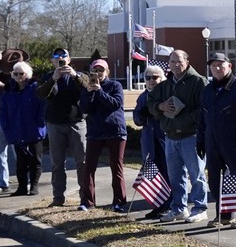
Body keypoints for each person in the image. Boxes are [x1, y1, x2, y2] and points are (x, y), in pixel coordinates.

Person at [198, 52, 236, 228]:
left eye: (220, 65)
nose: (217, 68)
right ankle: (224, 215)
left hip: (235, 142)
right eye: (213, 66)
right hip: (212, 142)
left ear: (229, 66)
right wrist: (200, 140)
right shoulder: (208, 90)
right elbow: (202, 117)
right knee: (216, 181)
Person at [146, 49, 209, 223]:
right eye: (172, 61)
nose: (175, 65)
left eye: (179, 61)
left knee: (196, 175)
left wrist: (185, 118)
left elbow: (205, 109)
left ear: (187, 62)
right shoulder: (165, 85)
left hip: (191, 136)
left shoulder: (198, 82)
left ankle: (200, 208)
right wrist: (161, 107)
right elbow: (150, 103)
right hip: (171, 137)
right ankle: (179, 208)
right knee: (175, 176)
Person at [36, 47, 87, 207]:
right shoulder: (47, 77)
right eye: (57, 57)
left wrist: (74, 76)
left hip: (77, 123)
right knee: (57, 163)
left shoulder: (79, 76)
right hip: (55, 124)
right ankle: (58, 198)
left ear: (70, 60)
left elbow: (87, 89)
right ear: (52, 61)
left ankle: (85, 197)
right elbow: (41, 94)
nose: (60, 59)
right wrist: (53, 79)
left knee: (82, 161)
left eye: (63, 56)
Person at [78, 58, 130, 213]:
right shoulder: (87, 88)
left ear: (107, 72)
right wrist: (89, 93)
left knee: (116, 168)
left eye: (101, 70)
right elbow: (84, 109)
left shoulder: (115, 85)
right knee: (89, 168)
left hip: (115, 131)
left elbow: (115, 104)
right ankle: (87, 202)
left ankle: (119, 202)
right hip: (95, 132)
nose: (98, 73)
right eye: (95, 70)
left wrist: (99, 91)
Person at [0, 61, 44, 197]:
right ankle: (22, 187)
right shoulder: (8, 90)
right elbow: (3, 111)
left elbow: (43, 107)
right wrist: (7, 128)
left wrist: (40, 123)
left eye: (21, 73)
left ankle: (34, 186)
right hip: (16, 131)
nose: (18, 76)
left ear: (27, 74)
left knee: (35, 161)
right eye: (15, 73)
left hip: (34, 130)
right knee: (21, 162)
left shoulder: (36, 88)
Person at [132, 64, 170, 219]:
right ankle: (157, 206)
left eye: (155, 77)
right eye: (148, 77)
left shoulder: (166, 94)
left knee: (168, 172)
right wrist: (141, 114)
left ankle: (169, 205)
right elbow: (137, 119)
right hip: (148, 141)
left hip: (165, 139)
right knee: (151, 173)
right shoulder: (143, 97)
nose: (151, 81)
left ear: (161, 79)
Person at [0, 50, 24, 193]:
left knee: (20, 153)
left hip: (16, 120)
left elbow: (21, 95)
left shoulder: (22, 78)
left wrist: (3, 88)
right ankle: (1, 182)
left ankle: (24, 182)